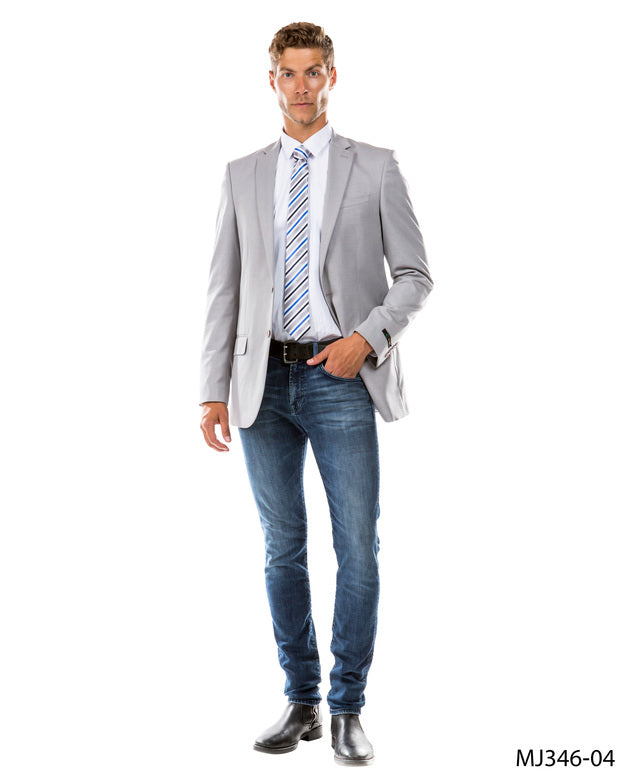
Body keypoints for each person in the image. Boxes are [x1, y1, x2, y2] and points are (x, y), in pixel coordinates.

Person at [199, 21, 433, 766]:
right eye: (288, 73)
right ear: (271, 81)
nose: (300, 87)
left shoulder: (377, 167)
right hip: (260, 381)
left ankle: (347, 707)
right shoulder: (242, 173)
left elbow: (415, 276)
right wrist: (211, 389)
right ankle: (300, 699)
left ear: (333, 77)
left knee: (357, 546)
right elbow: (225, 288)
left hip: (340, 377)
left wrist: (367, 336)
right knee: (282, 548)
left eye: (313, 72)